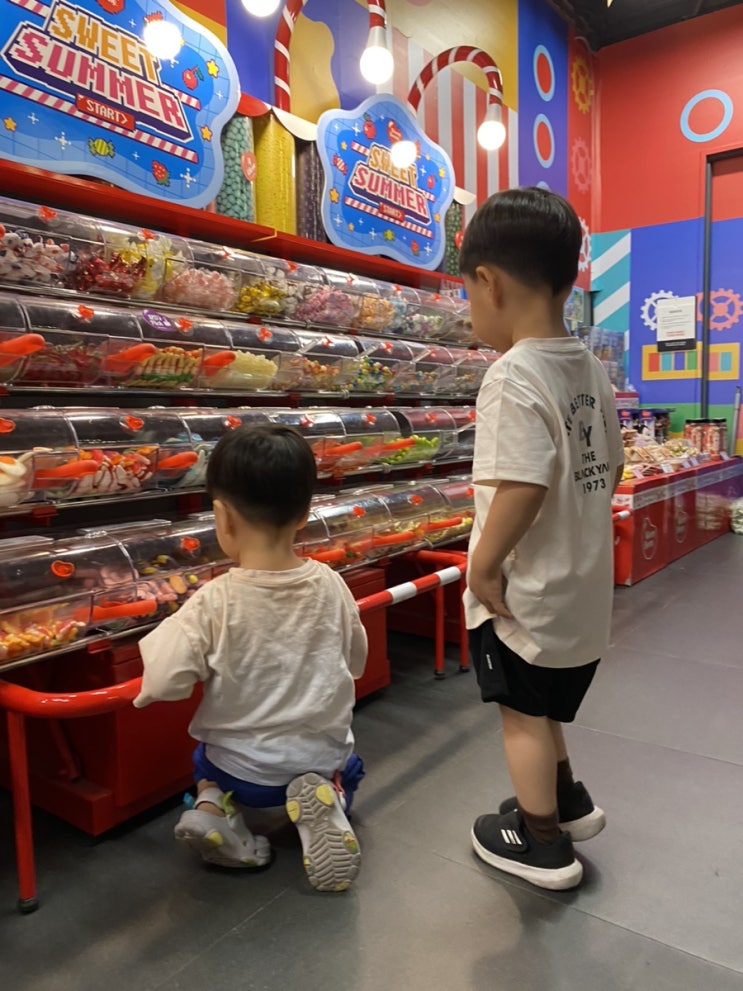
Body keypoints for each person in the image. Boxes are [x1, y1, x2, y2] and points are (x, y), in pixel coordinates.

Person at [459, 187, 624, 891]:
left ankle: (542, 841)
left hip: (525, 595)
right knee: (547, 705)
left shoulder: (511, 375)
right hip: (581, 594)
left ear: (489, 282)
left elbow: (521, 485)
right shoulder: (588, 367)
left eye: (468, 293)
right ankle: (567, 800)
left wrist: (484, 565)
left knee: (521, 717)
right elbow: (612, 466)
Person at [133, 423, 368, 892]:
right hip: (317, 758)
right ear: (305, 513)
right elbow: (356, 660)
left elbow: (162, 681)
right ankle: (330, 800)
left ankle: (213, 810)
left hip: (240, 770)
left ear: (222, 518)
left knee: (204, 765)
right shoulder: (332, 584)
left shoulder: (214, 600)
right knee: (352, 765)